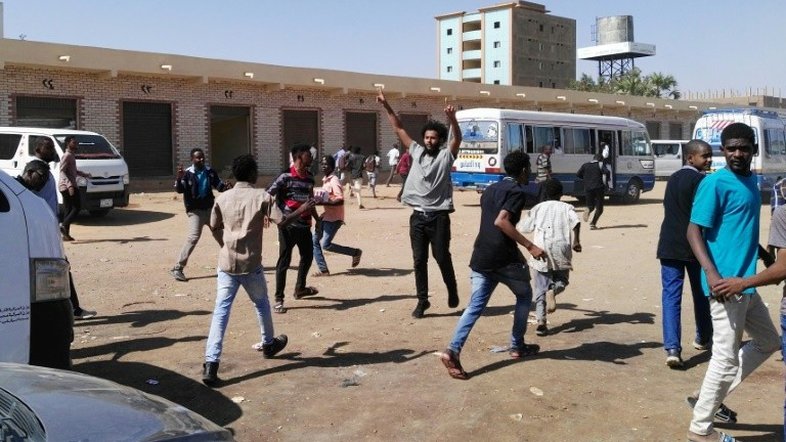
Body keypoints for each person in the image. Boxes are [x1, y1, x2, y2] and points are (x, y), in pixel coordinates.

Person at [685, 123, 781, 442]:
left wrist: (765, 257)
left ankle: (705, 398)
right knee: (724, 358)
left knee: (768, 341)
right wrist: (712, 275)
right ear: (723, 151)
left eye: (743, 147)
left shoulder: (751, 181)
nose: (737, 153)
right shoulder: (715, 184)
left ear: (753, 148)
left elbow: (743, 227)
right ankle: (701, 429)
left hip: (746, 285)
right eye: (731, 148)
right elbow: (693, 231)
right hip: (726, 287)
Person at [440, 151, 546, 379]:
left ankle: (452, 350)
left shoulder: (490, 189)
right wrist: (530, 246)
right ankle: (517, 345)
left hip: (481, 256)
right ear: (524, 170)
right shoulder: (516, 191)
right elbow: (501, 221)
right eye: (529, 169)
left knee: (474, 307)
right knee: (525, 296)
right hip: (504, 258)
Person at [202, 154, 289, 386]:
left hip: (227, 263)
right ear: (252, 174)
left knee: (221, 312)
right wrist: (305, 208)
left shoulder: (223, 197)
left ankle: (211, 364)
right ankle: (269, 344)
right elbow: (283, 221)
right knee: (261, 304)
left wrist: (224, 245)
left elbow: (213, 226)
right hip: (251, 265)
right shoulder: (262, 196)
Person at [378, 88, 461, 318]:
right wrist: (386, 105)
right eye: (427, 137)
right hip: (418, 217)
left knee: (441, 256)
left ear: (440, 140)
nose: (429, 141)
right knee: (418, 260)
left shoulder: (446, 156)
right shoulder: (416, 151)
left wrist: (453, 119)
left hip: (439, 216)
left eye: (433, 138)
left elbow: (458, 139)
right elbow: (399, 128)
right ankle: (422, 301)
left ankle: (452, 289)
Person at [714, 203, 786, 440]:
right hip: (728, 290)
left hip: (738, 288)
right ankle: (705, 412)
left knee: (759, 344)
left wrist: (743, 283)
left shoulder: (781, 212)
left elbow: (782, 269)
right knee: (728, 354)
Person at [656, 140, 714, 368]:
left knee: (671, 297)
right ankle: (703, 338)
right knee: (701, 294)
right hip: (694, 246)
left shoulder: (673, 178)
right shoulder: (702, 181)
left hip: (669, 245)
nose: (709, 160)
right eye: (705, 156)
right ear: (691, 158)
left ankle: (672, 349)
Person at [29, 138, 96, 320]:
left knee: (61, 269)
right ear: (38, 149)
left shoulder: (43, 169)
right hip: (42, 234)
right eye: (48, 148)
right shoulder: (36, 170)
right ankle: (72, 311)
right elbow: (28, 195)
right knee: (61, 268)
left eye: (51, 147)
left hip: (48, 230)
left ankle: (72, 310)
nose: (52, 151)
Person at [519, 178, 581, 337]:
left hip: (541, 249)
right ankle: (554, 290)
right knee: (563, 281)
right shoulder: (567, 207)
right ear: (561, 194)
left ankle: (541, 323)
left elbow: (523, 227)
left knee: (540, 288)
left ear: (544, 193)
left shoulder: (538, 208)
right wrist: (576, 241)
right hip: (561, 248)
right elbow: (576, 222)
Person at [268, 143, 320, 314]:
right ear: (299, 156)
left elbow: (310, 201)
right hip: (288, 226)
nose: (311, 157)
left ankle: (300, 289)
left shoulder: (310, 178)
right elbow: (268, 194)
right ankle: (278, 299)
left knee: (308, 256)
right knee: (284, 260)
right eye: (308, 155)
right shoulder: (285, 177)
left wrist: (317, 219)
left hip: (305, 225)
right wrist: (267, 214)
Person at [170, 148, 230, 282]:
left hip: (210, 210)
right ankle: (177, 268)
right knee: (193, 238)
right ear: (192, 159)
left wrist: (226, 186)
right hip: (195, 211)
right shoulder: (187, 174)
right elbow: (179, 190)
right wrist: (179, 178)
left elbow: (219, 186)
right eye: (198, 158)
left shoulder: (210, 172)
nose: (201, 160)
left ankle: (233, 263)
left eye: (202, 157)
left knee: (221, 237)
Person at [312, 155, 362, 276]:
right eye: (322, 164)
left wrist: (323, 201)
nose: (323, 166)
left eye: (326, 164)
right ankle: (323, 270)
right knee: (314, 241)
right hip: (325, 216)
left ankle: (355, 252)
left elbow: (340, 199)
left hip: (334, 218)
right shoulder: (326, 180)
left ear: (332, 166)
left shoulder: (334, 180)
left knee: (326, 244)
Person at [58, 135, 91, 241]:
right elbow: (62, 171)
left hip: (68, 185)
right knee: (77, 207)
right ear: (68, 143)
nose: (76, 144)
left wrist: (84, 174)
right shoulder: (67, 155)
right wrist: (70, 185)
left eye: (76, 142)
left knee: (68, 210)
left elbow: (72, 171)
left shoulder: (71, 155)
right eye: (73, 142)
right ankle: (63, 225)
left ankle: (65, 235)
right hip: (67, 186)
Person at [576, 153, 610, 230]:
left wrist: (586, 178)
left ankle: (588, 210)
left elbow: (578, 174)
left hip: (588, 188)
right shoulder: (600, 164)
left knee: (590, 206)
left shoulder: (585, 165)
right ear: (601, 159)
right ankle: (593, 224)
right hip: (599, 188)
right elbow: (607, 172)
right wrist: (606, 182)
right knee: (599, 208)